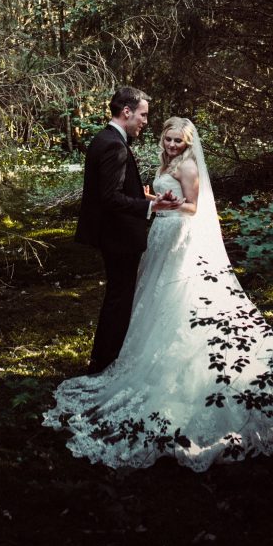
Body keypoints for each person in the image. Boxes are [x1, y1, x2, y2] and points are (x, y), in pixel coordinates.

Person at [44, 116, 273, 471]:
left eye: (178, 141)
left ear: (189, 143)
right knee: (150, 297)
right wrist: (152, 199)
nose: (172, 145)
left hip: (177, 237)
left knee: (175, 296)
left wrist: (168, 205)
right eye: (168, 139)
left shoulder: (188, 165)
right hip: (159, 235)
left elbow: (195, 207)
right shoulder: (167, 162)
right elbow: (165, 197)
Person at [74, 86, 181, 374]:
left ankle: (103, 356)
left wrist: (142, 196)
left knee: (116, 296)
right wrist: (150, 207)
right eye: (143, 115)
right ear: (127, 112)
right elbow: (110, 197)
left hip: (111, 233)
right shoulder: (114, 145)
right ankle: (106, 361)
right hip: (118, 236)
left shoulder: (104, 138)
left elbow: (113, 190)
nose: (145, 121)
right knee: (120, 298)